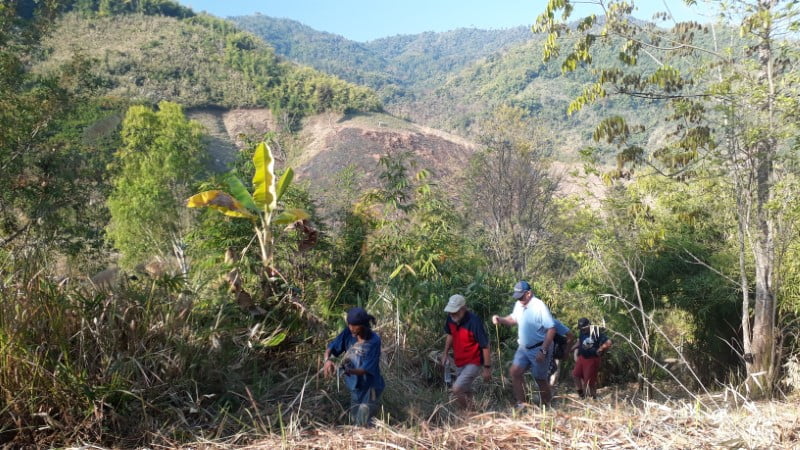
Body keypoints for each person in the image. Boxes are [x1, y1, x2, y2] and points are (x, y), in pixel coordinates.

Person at [492, 281, 557, 408]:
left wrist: (543, 350)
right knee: (515, 372)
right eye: (517, 296)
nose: (519, 299)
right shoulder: (519, 304)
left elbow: (551, 329)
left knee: (540, 378)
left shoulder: (539, 306)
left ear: (529, 293)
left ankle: (547, 406)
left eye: (521, 296)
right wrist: (500, 319)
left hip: (539, 347)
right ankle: (522, 403)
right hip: (523, 348)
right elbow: (513, 319)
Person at [323, 307, 385, 426]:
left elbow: (365, 370)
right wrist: (327, 360)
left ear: (363, 325)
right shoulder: (348, 332)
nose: (351, 328)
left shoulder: (374, 341)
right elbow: (331, 347)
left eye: (355, 325)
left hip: (370, 387)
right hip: (355, 387)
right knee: (355, 421)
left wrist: (345, 370)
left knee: (362, 422)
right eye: (349, 325)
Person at [441, 294, 492, 409]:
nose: (452, 314)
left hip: (474, 361)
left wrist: (487, 368)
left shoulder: (474, 322)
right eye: (451, 312)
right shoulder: (450, 318)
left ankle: (467, 413)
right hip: (459, 360)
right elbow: (450, 334)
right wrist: (445, 353)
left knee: (457, 388)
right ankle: (474, 413)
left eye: (455, 312)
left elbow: (485, 345)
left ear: (464, 308)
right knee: (465, 390)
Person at [572, 317, 612, 399]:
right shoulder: (582, 332)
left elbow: (608, 342)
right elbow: (579, 341)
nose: (582, 330)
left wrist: (600, 349)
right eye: (581, 328)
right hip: (582, 357)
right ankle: (581, 395)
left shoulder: (596, 333)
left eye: (584, 328)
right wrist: (571, 349)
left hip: (592, 359)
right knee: (575, 375)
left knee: (589, 382)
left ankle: (593, 398)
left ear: (589, 325)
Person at [548, 318, 575, 390]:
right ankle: (549, 389)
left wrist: (566, 353)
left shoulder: (558, 334)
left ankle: (550, 389)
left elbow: (570, 338)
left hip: (555, 354)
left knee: (554, 371)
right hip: (550, 355)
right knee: (552, 372)